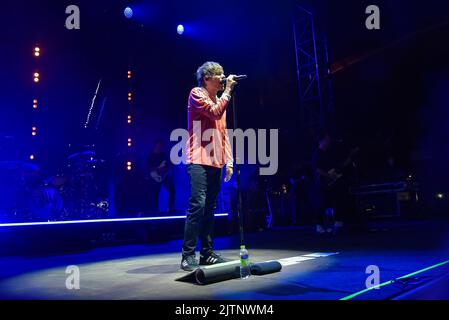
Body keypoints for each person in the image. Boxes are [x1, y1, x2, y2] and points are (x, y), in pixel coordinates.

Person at [180, 61, 236, 271]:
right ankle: (187, 255)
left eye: (223, 75)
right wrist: (228, 91)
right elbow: (213, 112)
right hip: (198, 159)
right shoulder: (197, 93)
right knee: (198, 205)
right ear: (206, 78)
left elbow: (223, 134)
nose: (222, 79)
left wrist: (229, 161)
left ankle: (207, 253)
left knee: (211, 207)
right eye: (219, 76)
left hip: (216, 161)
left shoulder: (220, 100)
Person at [146, 139, 176, 213]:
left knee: (172, 190)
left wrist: (166, 169)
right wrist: (157, 169)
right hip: (155, 176)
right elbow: (148, 166)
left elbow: (167, 165)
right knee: (155, 193)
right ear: (155, 145)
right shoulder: (151, 155)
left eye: (160, 145)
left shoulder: (163, 155)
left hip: (164, 175)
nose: (159, 147)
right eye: (158, 145)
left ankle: (170, 208)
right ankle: (155, 209)